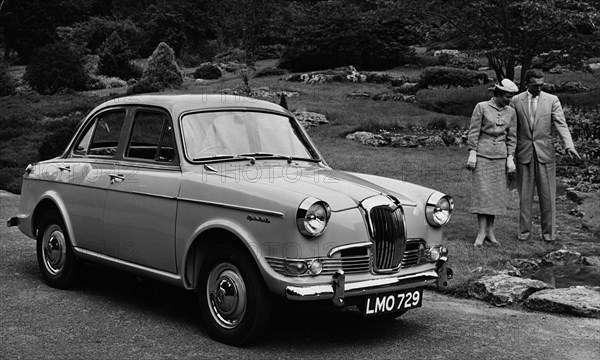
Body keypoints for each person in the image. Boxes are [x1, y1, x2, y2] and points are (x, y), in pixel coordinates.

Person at [510, 69, 581, 243]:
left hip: (545, 152)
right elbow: (511, 128)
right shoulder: (515, 100)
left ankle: (549, 235)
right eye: (535, 85)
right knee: (525, 196)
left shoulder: (552, 100)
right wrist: (509, 154)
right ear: (527, 84)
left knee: (548, 196)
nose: (539, 88)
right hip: (524, 152)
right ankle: (524, 233)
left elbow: (561, 125)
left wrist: (569, 145)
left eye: (542, 85)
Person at [466, 79, 519, 247]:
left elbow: (512, 136)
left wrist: (510, 157)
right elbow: (474, 131)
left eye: (511, 97)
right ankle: (481, 232)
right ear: (497, 94)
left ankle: (490, 231)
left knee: (495, 195)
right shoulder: (481, 107)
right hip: (483, 154)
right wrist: (472, 152)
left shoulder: (511, 112)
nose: (509, 100)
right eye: (506, 97)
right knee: (483, 193)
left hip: (500, 157)